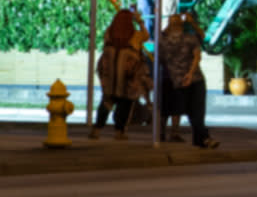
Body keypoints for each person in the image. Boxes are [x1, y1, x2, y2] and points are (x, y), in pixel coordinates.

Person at [89, 9, 152, 140]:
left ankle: (97, 130)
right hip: (128, 77)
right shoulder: (135, 35)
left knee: (106, 102)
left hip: (110, 76)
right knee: (125, 103)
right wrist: (139, 21)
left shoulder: (109, 33)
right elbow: (146, 36)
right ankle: (119, 132)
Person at [158, 11, 217, 149]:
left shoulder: (164, 40)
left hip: (180, 79)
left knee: (192, 111)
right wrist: (190, 22)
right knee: (195, 111)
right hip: (191, 78)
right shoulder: (188, 38)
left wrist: (171, 24)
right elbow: (198, 54)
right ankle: (202, 138)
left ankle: (201, 138)